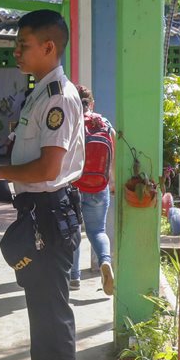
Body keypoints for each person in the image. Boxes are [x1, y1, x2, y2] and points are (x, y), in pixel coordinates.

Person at [0, 9, 85, 360]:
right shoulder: (41, 91)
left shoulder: (57, 95)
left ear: (49, 48)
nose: (16, 50)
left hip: (50, 212)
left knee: (54, 316)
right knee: (40, 310)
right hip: (36, 208)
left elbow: (48, 167)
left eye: (23, 44)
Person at [67, 86, 115, 295]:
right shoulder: (105, 124)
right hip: (99, 185)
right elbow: (112, 154)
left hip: (74, 186)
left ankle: (74, 277)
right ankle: (105, 262)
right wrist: (111, 181)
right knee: (98, 231)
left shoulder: (71, 123)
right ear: (92, 103)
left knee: (74, 230)